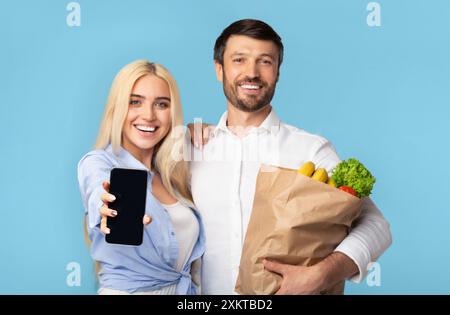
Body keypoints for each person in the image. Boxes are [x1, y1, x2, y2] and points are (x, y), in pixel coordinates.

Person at [188, 19, 392, 294]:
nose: (252, 72)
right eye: (239, 60)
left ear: (278, 72)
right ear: (219, 69)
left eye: (265, 62)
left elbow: (376, 225)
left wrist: (322, 274)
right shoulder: (190, 149)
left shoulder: (310, 150)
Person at [77, 60, 205, 295]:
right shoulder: (98, 163)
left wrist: (203, 131)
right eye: (135, 102)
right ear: (117, 109)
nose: (148, 115)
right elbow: (97, 188)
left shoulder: (175, 173)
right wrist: (104, 206)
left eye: (161, 104)